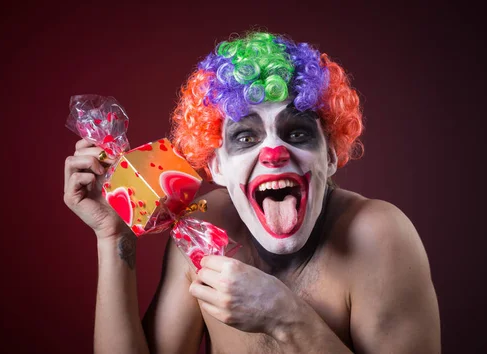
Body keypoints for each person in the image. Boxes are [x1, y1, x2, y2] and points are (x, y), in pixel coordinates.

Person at [64, 31, 440, 353]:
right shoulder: (202, 226)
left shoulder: (379, 235)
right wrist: (112, 235)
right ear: (216, 166)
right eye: (246, 137)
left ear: (330, 155)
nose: (274, 153)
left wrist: (287, 319)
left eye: (297, 133)